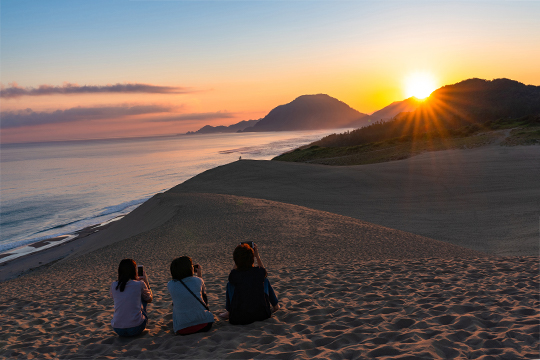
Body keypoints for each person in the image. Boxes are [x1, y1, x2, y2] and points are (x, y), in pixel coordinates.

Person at [220, 243, 280, 325]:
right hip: (262, 315)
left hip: (238, 318)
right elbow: (264, 273)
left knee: (230, 284)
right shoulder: (258, 272)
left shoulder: (235, 276)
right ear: (252, 259)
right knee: (265, 280)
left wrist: (238, 258)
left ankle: (229, 312)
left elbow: (232, 275)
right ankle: (275, 306)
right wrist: (257, 256)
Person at [168, 256, 215, 335]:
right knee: (200, 296)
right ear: (190, 269)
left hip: (182, 329)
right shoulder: (198, 280)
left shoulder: (170, 285)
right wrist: (199, 275)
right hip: (205, 325)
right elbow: (203, 298)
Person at [110, 259, 153, 337]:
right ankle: (137, 320)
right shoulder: (139, 284)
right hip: (136, 327)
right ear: (134, 271)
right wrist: (145, 281)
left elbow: (115, 298)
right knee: (143, 297)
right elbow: (149, 299)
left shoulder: (114, 285)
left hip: (118, 329)